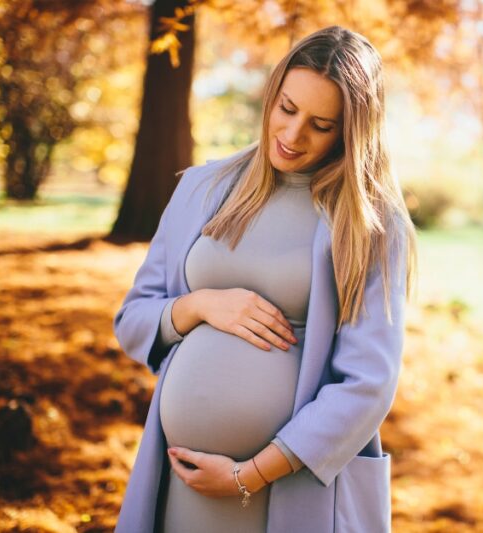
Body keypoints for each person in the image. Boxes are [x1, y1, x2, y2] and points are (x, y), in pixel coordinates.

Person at [112, 25, 417, 533]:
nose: (293, 136)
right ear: (272, 94)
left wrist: (249, 475)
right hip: (179, 482)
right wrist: (202, 305)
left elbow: (368, 383)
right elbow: (132, 318)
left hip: (288, 489)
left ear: (351, 130)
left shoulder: (369, 225)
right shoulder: (200, 188)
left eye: (321, 125)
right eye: (287, 108)